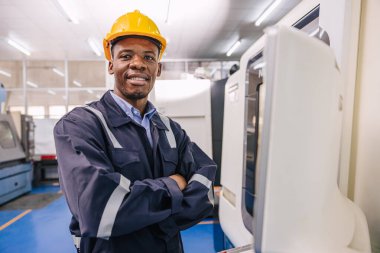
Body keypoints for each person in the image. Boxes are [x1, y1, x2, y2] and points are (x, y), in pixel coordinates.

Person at [54, 10, 216, 253]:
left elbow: (204, 192)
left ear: (158, 69)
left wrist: (140, 214)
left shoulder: (171, 130)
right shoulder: (79, 126)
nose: (138, 64)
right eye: (126, 55)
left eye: (149, 57)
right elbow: (99, 210)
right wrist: (174, 184)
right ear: (111, 65)